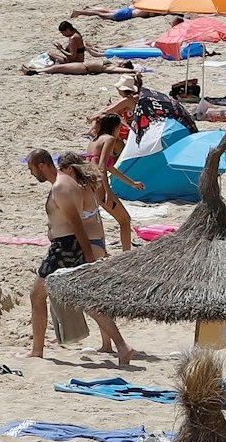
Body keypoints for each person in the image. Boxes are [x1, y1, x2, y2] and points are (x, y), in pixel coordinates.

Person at [21, 147, 131, 366]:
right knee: (85, 299)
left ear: (42, 165)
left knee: (37, 296)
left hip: (65, 248)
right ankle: (122, 346)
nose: (32, 174)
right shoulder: (65, 183)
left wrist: (89, 256)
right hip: (68, 246)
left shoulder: (61, 187)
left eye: (32, 169)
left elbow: (76, 224)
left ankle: (36, 351)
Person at [87, 112, 138, 251]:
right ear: (114, 127)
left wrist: (132, 183)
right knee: (124, 219)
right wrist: (108, 192)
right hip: (99, 185)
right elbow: (102, 167)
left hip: (89, 183)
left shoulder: (94, 140)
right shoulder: (109, 139)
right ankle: (127, 253)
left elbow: (109, 167)